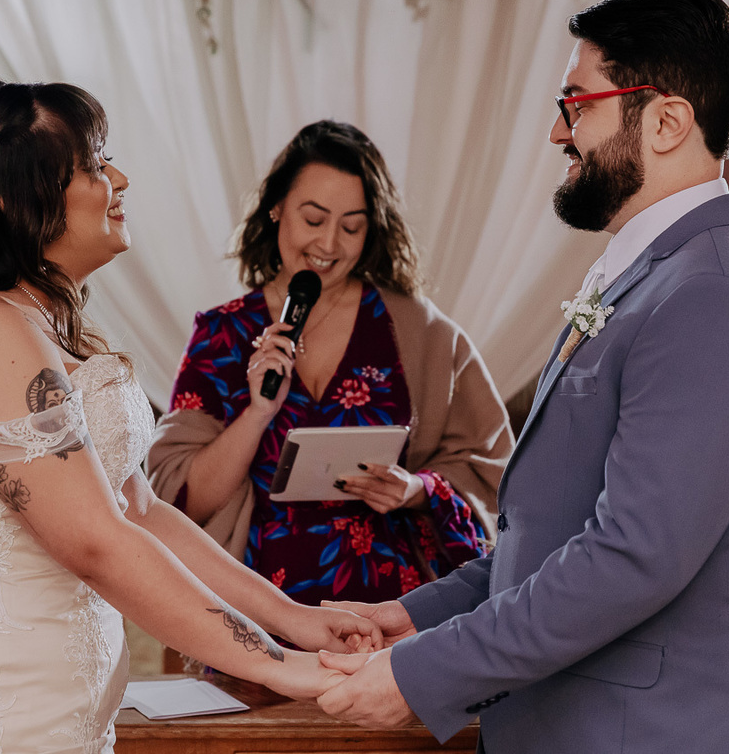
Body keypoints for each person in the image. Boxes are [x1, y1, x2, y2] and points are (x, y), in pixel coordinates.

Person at [316, 0, 729, 754]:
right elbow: (553, 530)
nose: (557, 131)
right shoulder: (653, 274)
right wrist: (417, 616)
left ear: (667, 121)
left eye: (576, 104)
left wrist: (424, 673)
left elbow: (632, 557)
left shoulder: (714, 295)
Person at [0, 79, 379, 753]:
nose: (118, 179)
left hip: (56, 717)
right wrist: (279, 667)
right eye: (94, 164)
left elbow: (138, 512)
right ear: (17, 197)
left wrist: (293, 620)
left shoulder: (39, 327)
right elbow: (96, 543)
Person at [148, 120, 514, 606]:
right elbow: (181, 502)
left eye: (351, 227)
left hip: (391, 613)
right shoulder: (221, 334)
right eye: (314, 220)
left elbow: (493, 470)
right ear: (276, 208)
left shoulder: (422, 331)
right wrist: (257, 414)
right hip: (258, 612)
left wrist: (416, 488)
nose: (328, 245)